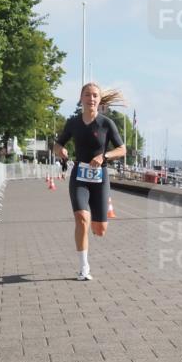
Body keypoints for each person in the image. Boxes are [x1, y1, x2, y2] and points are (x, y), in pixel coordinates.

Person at [53, 83, 126, 281]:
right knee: (81, 219)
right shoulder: (73, 123)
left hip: (100, 178)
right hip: (79, 177)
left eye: (94, 95)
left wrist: (105, 157)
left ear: (99, 100)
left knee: (99, 230)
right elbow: (57, 145)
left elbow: (122, 149)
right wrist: (60, 150)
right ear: (81, 98)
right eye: (87, 95)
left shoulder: (106, 124)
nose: (91, 98)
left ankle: (97, 220)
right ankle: (84, 267)